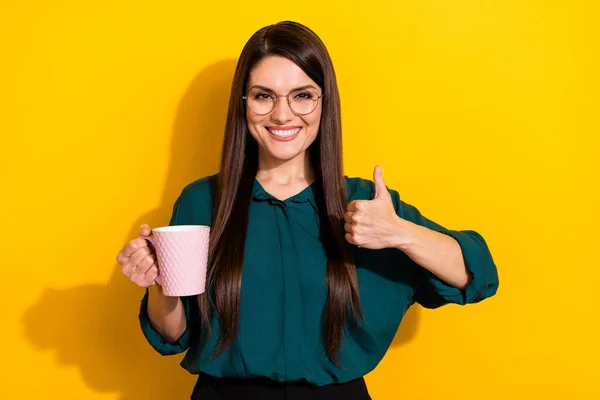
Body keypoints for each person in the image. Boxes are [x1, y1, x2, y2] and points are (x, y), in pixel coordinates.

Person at [116, 20, 499, 400]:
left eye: (302, 95)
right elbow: (171, 333)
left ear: (324, 102)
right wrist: (157, 282)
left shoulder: (368, 205)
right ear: (243, 103)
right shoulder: (202, 201)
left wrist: (400, 233)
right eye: (264, 95)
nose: (282, 115)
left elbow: (474, 273)